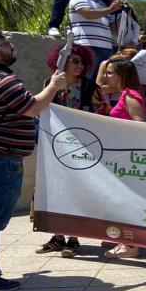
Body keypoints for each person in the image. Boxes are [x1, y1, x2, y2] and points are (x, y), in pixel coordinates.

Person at [0, 32, 67, 291]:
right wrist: (53, 85)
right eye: (5, 44)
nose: (12, 47)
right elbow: (33, 107)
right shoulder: (3, 81)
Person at [35, 43, 105, 259]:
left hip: (82, 149)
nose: (79, 65)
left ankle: (74, 239)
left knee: (76, 191)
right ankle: (57, 237)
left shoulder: (90, 88)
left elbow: (102, 114)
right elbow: (41, 108)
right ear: (61, 61)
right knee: (55, 190)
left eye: (81, 61)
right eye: (74, 61)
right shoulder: (51, 84)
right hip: (54, 147)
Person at [98, 57, 146, 257]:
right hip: (120, 154)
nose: (106, 76)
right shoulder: (123, 94)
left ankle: (131, 245)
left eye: (111, 72)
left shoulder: (130, 96)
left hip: (128, 156)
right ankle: (121, 238)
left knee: (127, 201)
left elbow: (141, 125)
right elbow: (99, 82)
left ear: (122, 76)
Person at [68, 0, 123, 74]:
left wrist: (123, 13)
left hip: (106, 49)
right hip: (88, 47)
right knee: (84, 82)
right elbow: (87, 13)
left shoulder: (102, 4)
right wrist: (110, 9)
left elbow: (112, 28)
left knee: (96, 86)